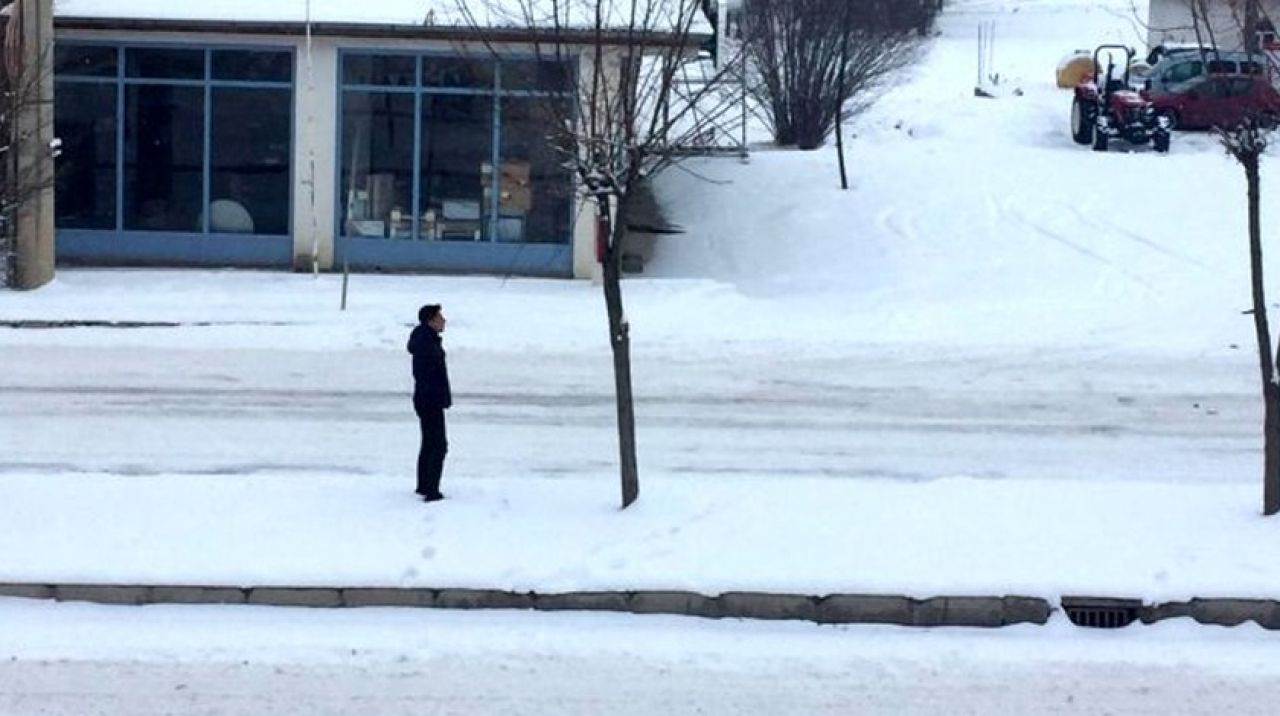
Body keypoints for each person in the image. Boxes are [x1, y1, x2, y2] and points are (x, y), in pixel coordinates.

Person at [407, 304, 451, 502]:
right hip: (429, 399)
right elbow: (429, 375)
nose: (444, 320)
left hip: (426, 398)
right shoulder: (427, 343)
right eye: (440, 317)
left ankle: (424, 485)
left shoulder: (426, 339)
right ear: (430, 321)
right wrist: (439, 396)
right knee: (438, 444)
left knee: (429, 443)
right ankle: (431, 490)